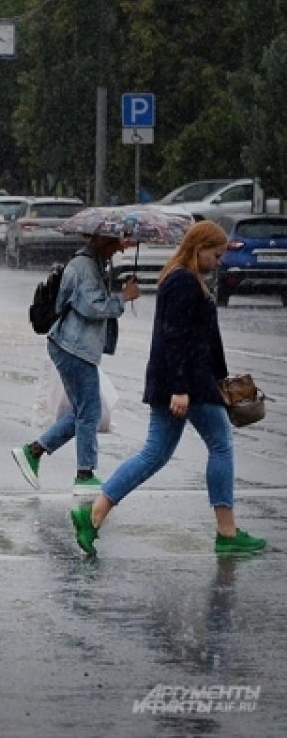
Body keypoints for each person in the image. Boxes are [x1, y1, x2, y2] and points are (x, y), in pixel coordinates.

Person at [71, 222, 267, 557]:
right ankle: (227, 532)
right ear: (199, 247)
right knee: (220, 446)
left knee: (155, 454)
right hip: (186, 383)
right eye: (216, 254)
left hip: (187, 381)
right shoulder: (182, 281)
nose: (218, 261)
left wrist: (219, 377)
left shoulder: (186, 279)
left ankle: (94, 513)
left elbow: (199, 337)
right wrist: (180, 388)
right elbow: (174, 339)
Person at [11, 231, 141, 493]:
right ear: (103, 240)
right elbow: (93, 307)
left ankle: (33, 452)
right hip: (73, 347)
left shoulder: (93, 264)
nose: (120, 249)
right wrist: (123, 297)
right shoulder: (84, 266)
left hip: (74, 346)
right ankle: (84, 475)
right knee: (90, 411)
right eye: (117, 243)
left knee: (83, 412)